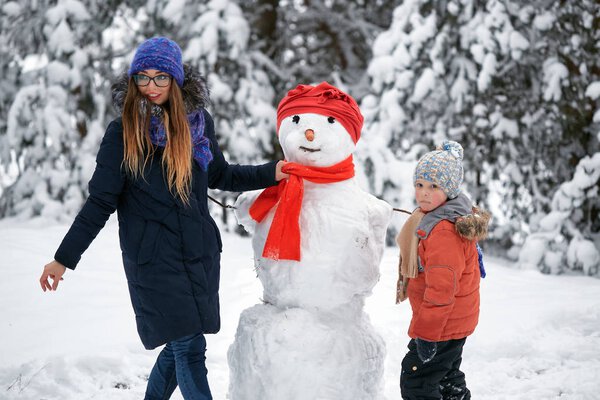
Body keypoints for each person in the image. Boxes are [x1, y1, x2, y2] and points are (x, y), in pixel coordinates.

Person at [38, 36, 287, 400]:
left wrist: (272, 171)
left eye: (160, 78)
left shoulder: (197, 125)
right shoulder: (122, 134)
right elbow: (99, 203)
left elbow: (221, 175)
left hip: (197, 252)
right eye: (143, 77)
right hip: (153, 260)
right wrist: (63, 259)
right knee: (188, 345)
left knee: (178, 345)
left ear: (176, 81)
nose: (150, 87)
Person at [395, 140, 490, 400]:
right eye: (420, 185)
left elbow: (441, 290)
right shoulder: (438, 217)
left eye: (433, 186)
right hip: (452, 322)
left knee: (417, 381)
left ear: (449, 190)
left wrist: (426, 336)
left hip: (442, 325)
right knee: (446, 376)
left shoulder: (443, 231)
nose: (424, 193)